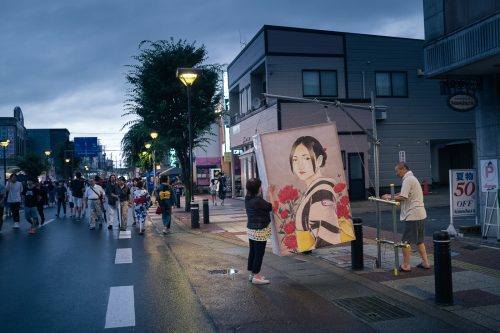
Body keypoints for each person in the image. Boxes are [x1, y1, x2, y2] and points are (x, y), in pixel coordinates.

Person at [285, 136, 354, 252]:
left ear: (319, 160)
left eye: (306, 158)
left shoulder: (321, 193)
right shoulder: (316, 189)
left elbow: (328, 239)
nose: (300, 165)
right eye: (295, 159)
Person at [382, 162, 431, 272]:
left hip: (413, 214)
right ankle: (426, 262)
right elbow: (403, 193)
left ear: (403, 169)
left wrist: (389, 197)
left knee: (405, 242)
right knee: (419, 240)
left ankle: (406, 265)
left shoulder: (408, 179)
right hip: (420, 214)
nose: (396, 174)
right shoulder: (411, 178)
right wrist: (391, 196)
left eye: (397, 171)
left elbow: (403, 196)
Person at [245, 178, 276, 285]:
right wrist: (271, 193)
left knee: (253, 251)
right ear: (258, 189)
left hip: (251, 229)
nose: (261, 188)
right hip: (260, 231)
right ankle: (256, 276)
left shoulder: (247, 198)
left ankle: (252, 274)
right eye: (260, 186)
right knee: (259, 253)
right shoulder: (258, 201)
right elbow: (272, 206)